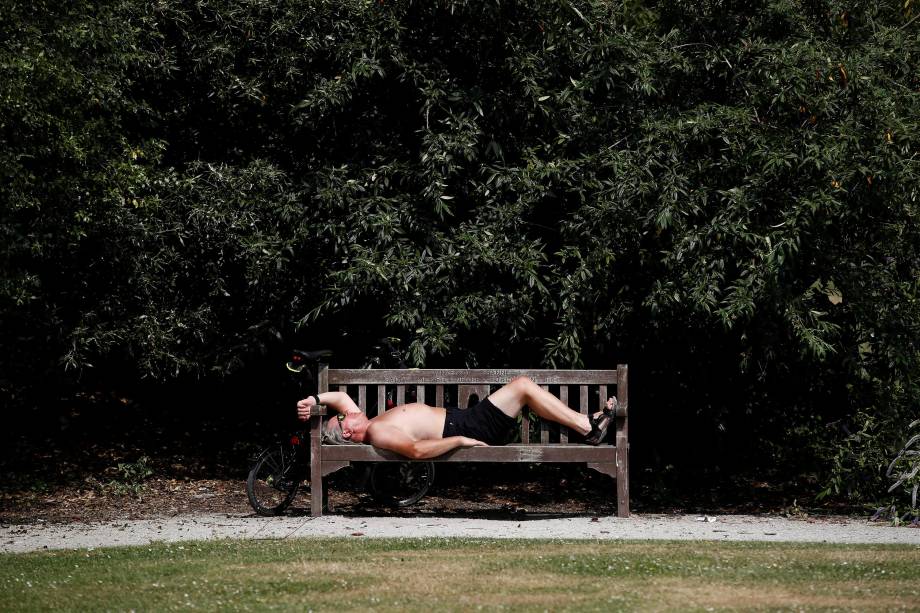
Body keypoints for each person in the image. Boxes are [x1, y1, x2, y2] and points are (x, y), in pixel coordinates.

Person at [296, 375, 617, 459]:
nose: (346, 412)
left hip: (465, 418)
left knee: (522, 386)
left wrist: (312, 400)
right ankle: (587, 426)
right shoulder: (378, 434)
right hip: (466, 426)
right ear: (349, 433)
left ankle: (588, 422)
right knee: (522, 386)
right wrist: (460, 440)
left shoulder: (365, 421)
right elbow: (417, 451)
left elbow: (338, 398)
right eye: (341, 419)